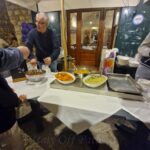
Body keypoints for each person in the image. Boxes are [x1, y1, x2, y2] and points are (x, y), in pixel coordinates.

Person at [0, 46, 29, 150]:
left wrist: (7, 89)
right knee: (14, 144)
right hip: (4, 123)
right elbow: (6, 100)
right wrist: (17, 100)